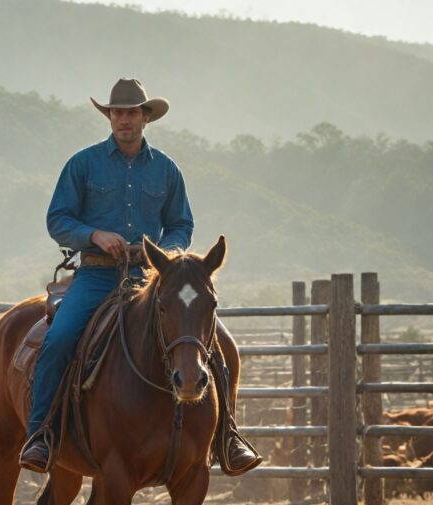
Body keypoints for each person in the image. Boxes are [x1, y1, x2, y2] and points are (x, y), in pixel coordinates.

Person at [19, 78, 261, 475]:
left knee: (221, 345)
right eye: (116, 112)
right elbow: (58, 219)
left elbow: (181, 224)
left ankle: (228, 436)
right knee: (60, 338)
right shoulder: (83, 164)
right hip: (96, 275)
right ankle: (41, 433)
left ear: (146, 117)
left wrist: (165, 253)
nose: (123, 119)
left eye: (131, 112)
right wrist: (94, 235)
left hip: (152, 276)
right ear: (109, 116)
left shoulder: (167, 170)